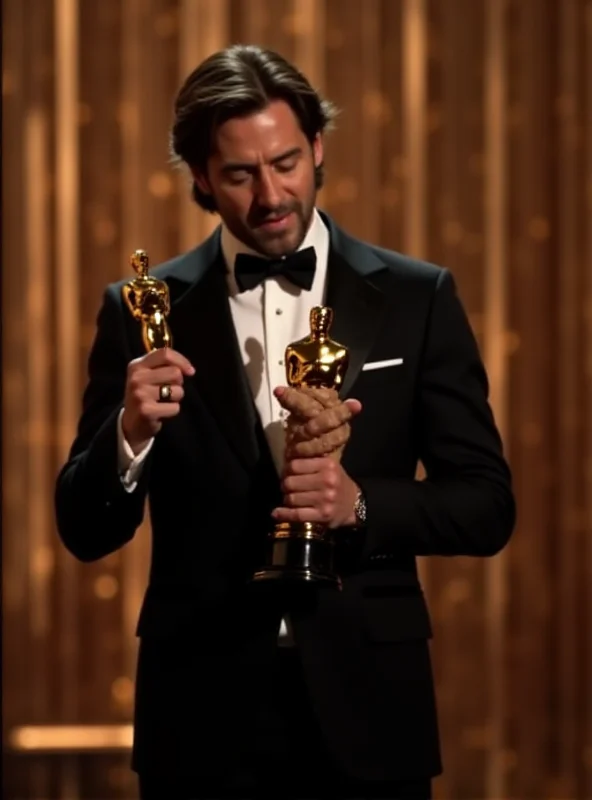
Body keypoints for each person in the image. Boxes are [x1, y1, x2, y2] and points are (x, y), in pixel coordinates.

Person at [54, 44, 516, 799]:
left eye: (287, 162)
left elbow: (488, 505)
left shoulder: (418, 296)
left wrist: (358, 505)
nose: (271, 193)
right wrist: (129, 436)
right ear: (201, 177)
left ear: (319, 148)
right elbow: (83, 528)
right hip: (198, 716)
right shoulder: (141, 310)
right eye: (240, 173)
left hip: (374, 711)